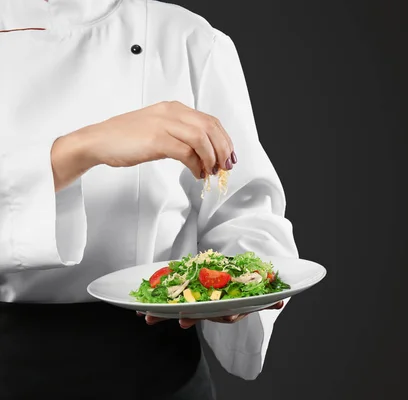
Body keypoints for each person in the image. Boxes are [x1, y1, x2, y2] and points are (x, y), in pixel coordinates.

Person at [0, 0, 299, 398]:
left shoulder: (188, 38)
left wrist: (241, 285)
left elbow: (243, 212)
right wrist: (80, 149)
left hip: (157, 369)